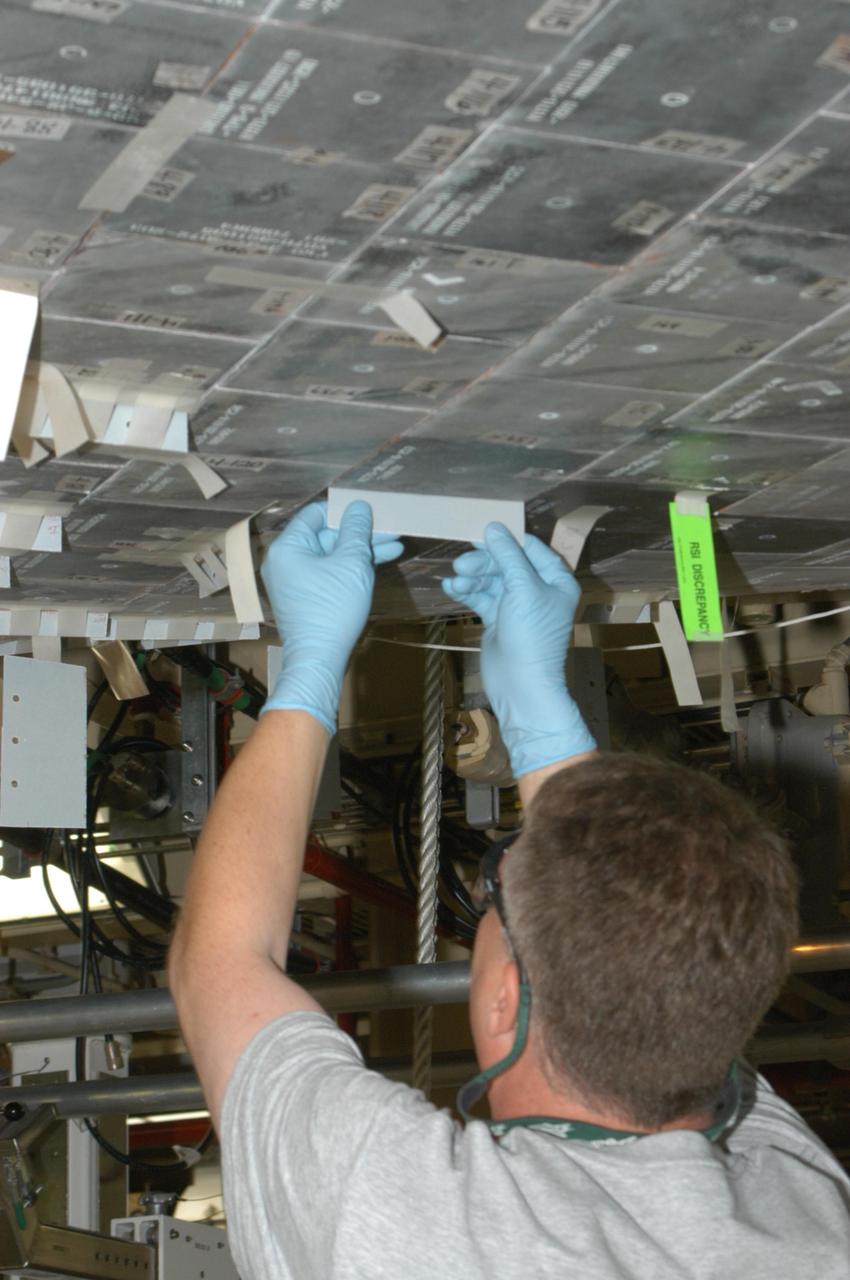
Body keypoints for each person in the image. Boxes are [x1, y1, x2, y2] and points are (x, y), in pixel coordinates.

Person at [169, 500, 850, 1280]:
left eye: (497, 893)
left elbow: (221, 960)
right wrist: (535, 716)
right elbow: (219, 964)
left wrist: (312, 669)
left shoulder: (813, 1212)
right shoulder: (801, 1215)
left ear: (508, 1001)